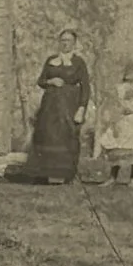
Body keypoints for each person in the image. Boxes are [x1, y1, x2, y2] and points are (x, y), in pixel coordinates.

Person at [25, 33, 93, 184]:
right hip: (50, 105)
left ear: (74, 43)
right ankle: (43, 174)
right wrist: (51, 81)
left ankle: (69, 175)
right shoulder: (51, 60)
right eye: (63, 40)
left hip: (69, 105)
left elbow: (86, 87)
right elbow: (41, 81)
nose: (65, 43)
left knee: (68, 137)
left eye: (68, 41)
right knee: (47, 136)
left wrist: (81, 108)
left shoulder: (78, 62)